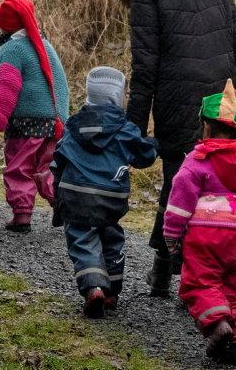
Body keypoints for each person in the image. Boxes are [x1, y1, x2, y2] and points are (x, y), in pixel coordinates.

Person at [120, 0, 236, 297]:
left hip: (177, 104)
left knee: (179, 181)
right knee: (215, 183)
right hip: (222, 102)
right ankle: (197, 273)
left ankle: (169, 270)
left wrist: (133, 129)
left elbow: (145, 68)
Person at [162, 82, 236, 362]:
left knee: (200, 282)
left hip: (205, 235)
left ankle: (218, 325)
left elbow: (179, 201)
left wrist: (172, 236)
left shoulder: (198, 161)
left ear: (206, 127)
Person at [51, 67, 158, 316]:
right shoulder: (125, 129)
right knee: (111, 238)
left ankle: (94, 288)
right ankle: (111, 292)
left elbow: (58, 160)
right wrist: (155, 145)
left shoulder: (73, 127)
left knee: (82, 239)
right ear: (118, 96)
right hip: (111, 195)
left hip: (76, 193)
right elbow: (145, 155)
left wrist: (57, 192)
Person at [0, 0, 69, 233]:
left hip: (25, 120)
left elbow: (8, 87)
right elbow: (60, 85)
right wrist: (61, 117)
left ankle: (22, 216)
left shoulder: (12, 49)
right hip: (55, 121)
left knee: (20, 167)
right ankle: (60, 201)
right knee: (45, 168)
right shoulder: (45, 44)